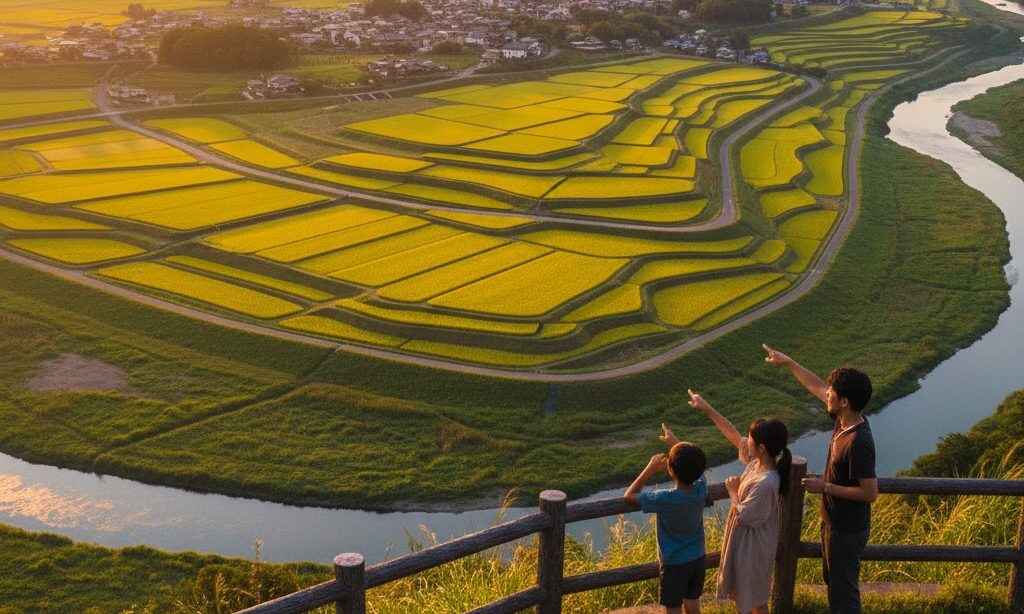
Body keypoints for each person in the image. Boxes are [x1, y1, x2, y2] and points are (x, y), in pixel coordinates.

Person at [763, 344, 877, 614]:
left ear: (844, 401)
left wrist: (825, 487)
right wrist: (788, 362)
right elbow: (816, 386)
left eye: (832, 393)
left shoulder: (859, 441)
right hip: (834, 524)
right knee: (834, 583)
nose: (827, 395)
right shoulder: (844, 421)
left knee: (844, 593)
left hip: (847, 530)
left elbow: (870, 492)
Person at [664, 391, 791, 614]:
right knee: (752, 593)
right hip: (748, 543)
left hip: (753, 547)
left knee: (754, 596)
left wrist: (733, 492)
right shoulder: (758, 463)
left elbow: (743, 516)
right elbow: (732, 433)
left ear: (761, 448)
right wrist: (706, 408)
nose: (746, 440)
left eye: (750, 438)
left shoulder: (766, 482)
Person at [624, 440, 709, 614]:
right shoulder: (701, 487)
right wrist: (675, 443)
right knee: (692, 601)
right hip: (698, 558)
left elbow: (629, 496)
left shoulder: (664, 498)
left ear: (670, 470)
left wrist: (650, 468)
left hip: (674, 564)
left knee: (673, 607)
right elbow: (694, 465)